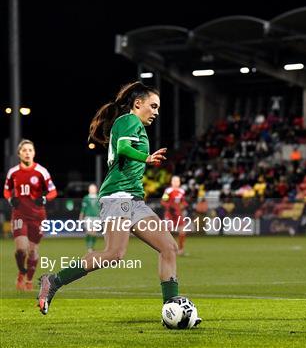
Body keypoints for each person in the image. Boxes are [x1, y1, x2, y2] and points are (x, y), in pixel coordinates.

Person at [37, 82, 200, 326]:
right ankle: (54, 281)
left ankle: (172, 309)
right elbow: (123, 148)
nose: (156, 112)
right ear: (138, 104)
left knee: (169, 247)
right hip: (117, 196)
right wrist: (146, 156)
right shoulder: (128, 121)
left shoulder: (137, 127)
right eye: (153, 106)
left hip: (134, 199)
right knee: (114, 254)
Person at [3, 139, 57, 291]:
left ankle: (28, 280)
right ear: (19, 153)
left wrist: (45, 198)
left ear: (34, 153)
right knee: (21, 249)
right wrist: (10, 198)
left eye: (30, 150)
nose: (27, 153)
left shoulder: (41, 171)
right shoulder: (13, 172)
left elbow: (53, 191)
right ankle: (21, 271)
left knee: (33, 250)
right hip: (19, 214)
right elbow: (6, 190)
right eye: (24, 150)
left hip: (38, 216)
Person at [161, 175, 188, 255]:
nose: (176, 183)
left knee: (183, 231)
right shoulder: (168, 191)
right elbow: (163, 201)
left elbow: (183, 201)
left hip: (178, 214)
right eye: (174, 181)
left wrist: (183, 205)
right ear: (171, 182)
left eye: (177, 181)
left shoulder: (182, 191)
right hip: (170, 214)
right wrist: (169, 207)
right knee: (167, 233)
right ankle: (165, 249)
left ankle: (181, 250)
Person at [79, 183, 100, 252]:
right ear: (89, 190)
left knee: (94, 232)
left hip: (96, 217)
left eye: (94, 188)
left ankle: (91, 246)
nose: (92, 190)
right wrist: (81, 216)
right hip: (88, 217)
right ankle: (89, 246)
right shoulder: (86, 198)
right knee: (89, 232)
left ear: (96, 189)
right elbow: (83, 208)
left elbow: (101, 208)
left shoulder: (98, 197)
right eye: (91, 188)